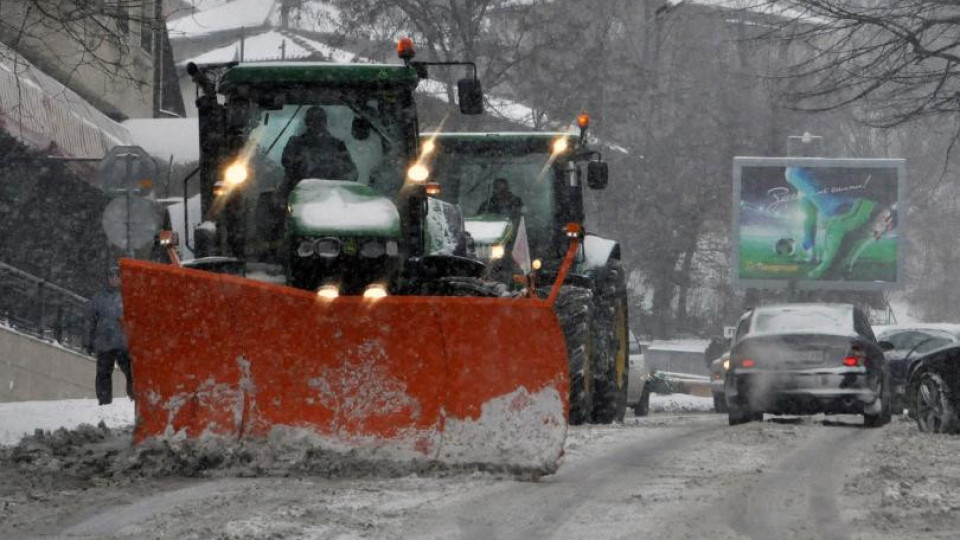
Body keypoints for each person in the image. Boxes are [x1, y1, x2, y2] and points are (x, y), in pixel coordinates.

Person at [280, 106, 357, 196]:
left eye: (320, 120)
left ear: (325, 122)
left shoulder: (338, 146)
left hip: (333, 197)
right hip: (300, 195)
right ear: (307, 123)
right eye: (312, 120)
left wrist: (336, 171)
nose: (317, 124)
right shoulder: (295, 144)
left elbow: (352, 173)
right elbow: (287, 164)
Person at [84, 267, 132, 405]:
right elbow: (90, 320)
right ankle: (104, 401)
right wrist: (88, 341)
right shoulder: (99, 299)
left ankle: (134, 395)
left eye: (117, 277)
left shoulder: (128, 296)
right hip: (105, 343)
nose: (114, 279)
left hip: (124, 343)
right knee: (103, 374)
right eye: (112, 277)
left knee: (131, 372)